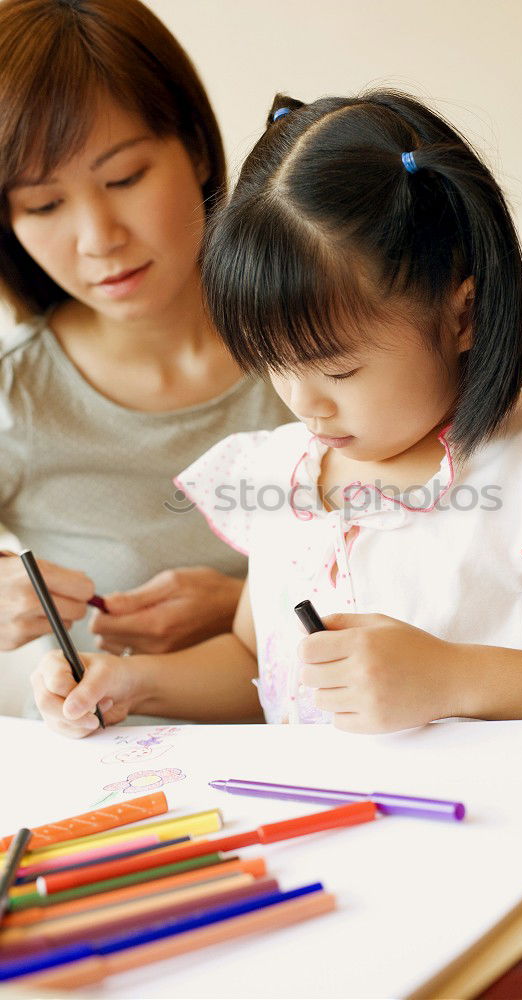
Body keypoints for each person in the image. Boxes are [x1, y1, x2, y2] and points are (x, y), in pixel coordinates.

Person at [31, 90, 522, 738]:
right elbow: (259, 660)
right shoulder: (283, 474)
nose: (304, 402)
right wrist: (134, 681)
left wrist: (454, 677)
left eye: (339, 369)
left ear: (463, 314)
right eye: (274, 364)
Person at [0, 0, 291, 694]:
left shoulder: (321, 345)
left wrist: (244, 609)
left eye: (124, 178)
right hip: (114, 773)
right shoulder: (16, 396)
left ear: (194, 147)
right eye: (44, 206)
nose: (98, 237)